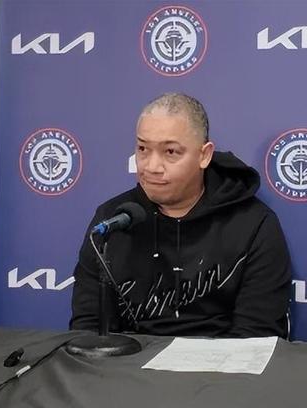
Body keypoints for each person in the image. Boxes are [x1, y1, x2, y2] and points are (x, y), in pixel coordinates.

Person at [69, 93, 291, 338]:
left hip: (222, 361)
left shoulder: (254, 224)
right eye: (142, 149)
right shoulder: (111, 221)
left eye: (171, 152)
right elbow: (88, 328)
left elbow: (257, 336)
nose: (151, 166)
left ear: (204, 155)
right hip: (130, 360)